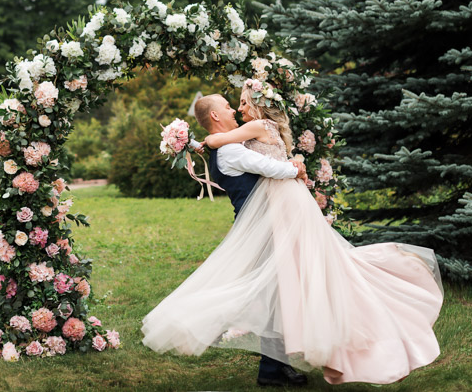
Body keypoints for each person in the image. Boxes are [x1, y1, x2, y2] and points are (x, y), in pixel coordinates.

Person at [141, 83, 444, 387]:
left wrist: (198, 143)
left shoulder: (230, 143)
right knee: (269, 294)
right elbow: (269, 167)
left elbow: (258, 152)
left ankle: (273, 368)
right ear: (217, 115)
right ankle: (235, 343)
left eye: (242, 103)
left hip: (269, 225)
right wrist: (295, 167)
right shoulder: (231, 150)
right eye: (230, 106)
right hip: (267, 228)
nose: (235, 109)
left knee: (279, 295)